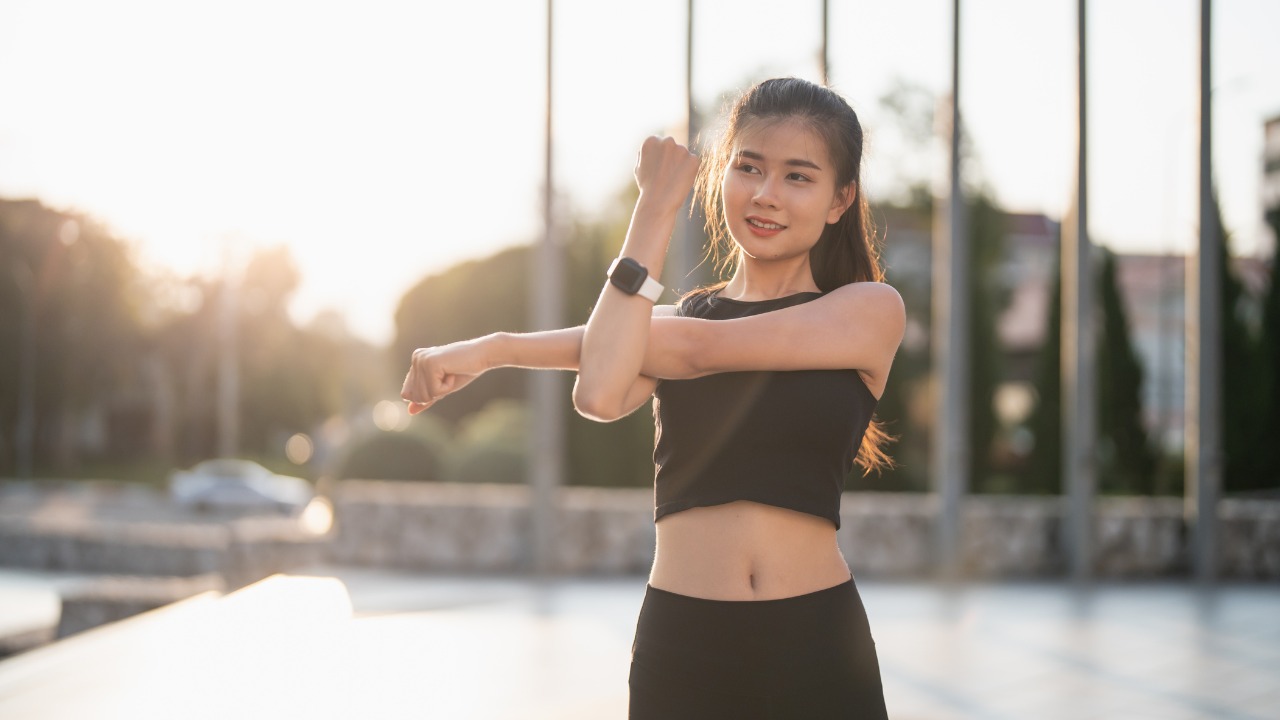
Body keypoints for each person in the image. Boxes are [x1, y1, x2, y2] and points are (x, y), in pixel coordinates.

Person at [401, 77, 903, 718]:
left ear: (840, 199)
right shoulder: (671, 323)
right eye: (748, 167)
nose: (765, 194)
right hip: (684, 645)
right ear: (721, 175)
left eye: (797, 177)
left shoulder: (868, 311)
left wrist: (496, 349)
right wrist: (654, 209)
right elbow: (601, 390)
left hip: (817, 642)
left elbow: (693, 349)